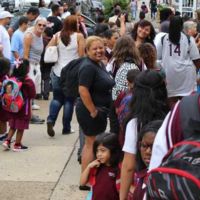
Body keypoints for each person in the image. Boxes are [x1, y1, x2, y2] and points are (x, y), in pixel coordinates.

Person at [120, 70, 169, 200]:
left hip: (146, 186)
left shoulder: (135, 124)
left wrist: (122, 197)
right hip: (170, 184)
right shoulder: (172, 119)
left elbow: (128, 166)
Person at [75, 36, 115, 173]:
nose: (99, 51)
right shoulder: (88, 67)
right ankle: (85, 179)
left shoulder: (99, 64)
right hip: (90, 111)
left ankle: (89, 175)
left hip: (99, 110)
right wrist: (93, 111)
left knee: (92, 143)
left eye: (101, 47)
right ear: (87, 51)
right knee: (91, 144)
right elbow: (82, 89)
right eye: (94, 49)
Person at [47, 15, 85, 136]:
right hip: (72, 73)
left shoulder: (58, 35)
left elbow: (49, 48)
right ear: (74, 24)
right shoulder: (79, 36)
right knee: (69, 100)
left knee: (57, 98)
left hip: (57, 71)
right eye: (78, 23)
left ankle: (51, 120)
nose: (79, 24)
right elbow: (81, 56)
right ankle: (66, 128)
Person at [156, 16, 200, 107]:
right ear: (181, 27)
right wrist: (196, 73)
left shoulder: (163, 39)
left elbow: (158, 58)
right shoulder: (188, 39)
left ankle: (173, 119)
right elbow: (196, 59)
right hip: (187, 77)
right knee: (186, 106)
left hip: (169, 75)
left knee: (172, 105)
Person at [107, 35, 141, 135]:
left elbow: (111, 80)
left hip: (117, 101)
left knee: (116, 130)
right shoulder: (139, 62)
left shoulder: (115, 62)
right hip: (134, 99)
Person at [2, 59, 36, 151]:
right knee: (20, 127)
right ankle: (17, 144)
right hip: (23, 108)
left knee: (13, 126)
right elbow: (32, 94)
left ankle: (7, 141)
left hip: (13, 107)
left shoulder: (11, 79)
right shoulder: (28, 81)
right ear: (27, 69)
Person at [80, 132, 121, 200]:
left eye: (103, 150)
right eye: (97, 151)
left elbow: (121, 191)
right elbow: (82, 183)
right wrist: (88, 167)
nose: (99, 154)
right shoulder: (96, 166)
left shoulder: (118, 169)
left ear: (113, 150)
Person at [128, 120, 163, 199]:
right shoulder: (142, 176)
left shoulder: (167, 182)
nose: (148, 152)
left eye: (153, 147)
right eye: (144, 145)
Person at [23, 17, 47, 123]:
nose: (41, 27)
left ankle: (30, 114)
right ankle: (29, 116)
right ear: (35, 24)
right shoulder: (29, 35)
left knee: (33, 93)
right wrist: (27, 70)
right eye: (39, 24)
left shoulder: (41, 35)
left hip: (37, 66)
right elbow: (25, 55)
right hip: (30, 66)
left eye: (43, 25)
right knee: (28, 92)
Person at [40, 27, 53, 100]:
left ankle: (39, 93)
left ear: (45, 33)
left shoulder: (42, 41)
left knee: (40, 77)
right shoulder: (52, 40)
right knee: (47, 78)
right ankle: (46, 94)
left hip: (42, 61)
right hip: (49, 62)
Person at [0, 58, 10, 141]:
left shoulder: (4, 77)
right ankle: (2, 135)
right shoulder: (4, 78)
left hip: (3, 101)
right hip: (2, 102)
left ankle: (3, 133)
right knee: (2, 119)